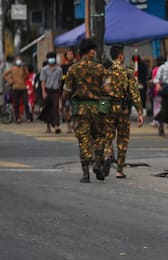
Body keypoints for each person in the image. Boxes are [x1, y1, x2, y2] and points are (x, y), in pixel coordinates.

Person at [61, 39, 109, 183]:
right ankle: (98, 163)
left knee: (84, 139)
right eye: (93, 50)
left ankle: (85, 174)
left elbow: (66, 91)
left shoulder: (73, 69)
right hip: (97, 108)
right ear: (91, 51)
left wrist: (61, 104)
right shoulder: (100, 68)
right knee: (100, 136)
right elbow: (107, 89)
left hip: (80, 109)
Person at [102, 45, 144, 179]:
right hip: (123, 108)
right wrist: (140, 112)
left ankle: (108, 154)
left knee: (108, 135)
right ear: (120, 56)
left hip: (108, 107)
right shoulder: (127, 72)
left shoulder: (106, 71)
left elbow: (103, 89)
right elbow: (134, 93)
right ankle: (119, 170)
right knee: (122, 138)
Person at [2, 56, 32, 123]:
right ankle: (17, 118)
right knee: (16, 104)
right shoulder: (13, 69)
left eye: (20, 60)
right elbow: (4, 75)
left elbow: (27, 76)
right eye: (17, 60)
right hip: (15, 88)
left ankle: (28, 118)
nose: (19, 61)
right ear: (15, 61)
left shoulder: (23, 68)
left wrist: (25, 68)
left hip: (23, 88)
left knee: (26, 103)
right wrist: (10, 81)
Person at [39, 52, 63, 133]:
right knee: (47, 109)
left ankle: (56, 126)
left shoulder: (59, 69)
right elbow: (43, 81)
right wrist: (43, 92)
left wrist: (60, 93)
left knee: (55, 109)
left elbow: (59, 81)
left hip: (55, 91)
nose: (51, 59)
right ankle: (48, 126)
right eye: (50, 58)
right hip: (47, 90)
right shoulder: (44, 69)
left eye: (52, 57)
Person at [61, 49, 76, 133]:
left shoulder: (75, 66)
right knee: (66, 108)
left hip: (75, 90)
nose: (70, 55)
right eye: (68, 54)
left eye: (71, 54)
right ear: (66, 56)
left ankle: (74, 123)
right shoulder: (63, 67)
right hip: (66, 90)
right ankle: (68, 126)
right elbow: (61, 79)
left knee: (75, 108)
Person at [149, 56, 165, 127]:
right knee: (162, 106)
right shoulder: (164, 69)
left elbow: (153, 79)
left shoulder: (154, 69)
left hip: (155, 90)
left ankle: (155, 121)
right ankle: (162, 121)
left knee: (156, 106)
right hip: (163, 89)